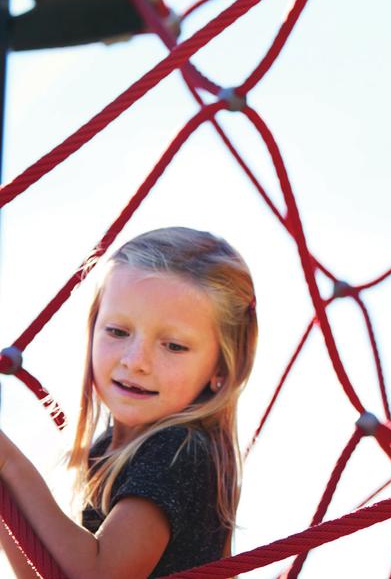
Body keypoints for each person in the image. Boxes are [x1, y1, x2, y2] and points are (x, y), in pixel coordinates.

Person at [0, 227, 258, 579]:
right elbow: (47, 572)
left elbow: (101, 575)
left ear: (222, 368)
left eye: (174, 346)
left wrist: (9, 463)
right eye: (118, 332)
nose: (135, 360)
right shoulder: (106, 449)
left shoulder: (179, 450)